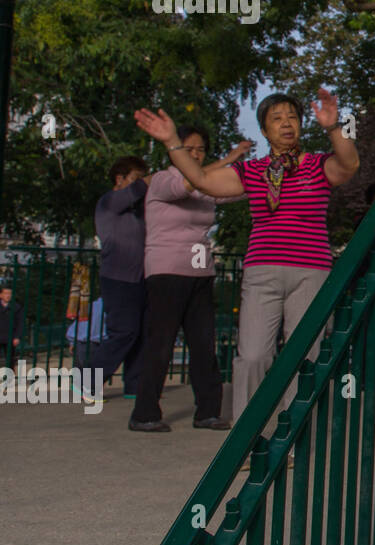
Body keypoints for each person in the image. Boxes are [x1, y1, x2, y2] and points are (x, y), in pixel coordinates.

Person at [135, 89, 359, 424]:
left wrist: (333, 127)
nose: (286, 124)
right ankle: (250, 434)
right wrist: (172, 142)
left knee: (302, 356)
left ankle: (291, 433)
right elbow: (201, 179)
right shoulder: (252, 171)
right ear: (265, 131)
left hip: (311, 271)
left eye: (292, 117)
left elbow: (349, 164)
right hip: (262, 271)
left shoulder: (317, 165)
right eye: (277, 118)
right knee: (253, 355)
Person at [128, 125, 251, 433]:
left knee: (203, 344)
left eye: (200, 150)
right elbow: (187, 183)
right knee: (161, 344)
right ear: (175, 150)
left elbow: (235, 191)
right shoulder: (163, 180)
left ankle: (207, 412)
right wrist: (231, 157)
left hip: (200, 273)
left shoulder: (204, 187)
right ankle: (144, 414)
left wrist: (275, 179)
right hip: (166, 272)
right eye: (190, 149)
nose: (196, 155)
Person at [87, 157, 154, 400]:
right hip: (117, 277)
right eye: (136, 177)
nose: (140, 185)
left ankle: (134, 385)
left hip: (140, 278)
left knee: (141, 333)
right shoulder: (110, 201)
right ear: (120, 179)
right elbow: (139, 188)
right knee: (123, 331)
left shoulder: (138, 211)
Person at [0, 284, 24, 368]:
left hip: (10, 337)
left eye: (10, 293)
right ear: (1, 295)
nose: (8, 295)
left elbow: (20, 323)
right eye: (6, 293)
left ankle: (10, 378)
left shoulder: (16, 307)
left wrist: (17, 337)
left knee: (10, 359)